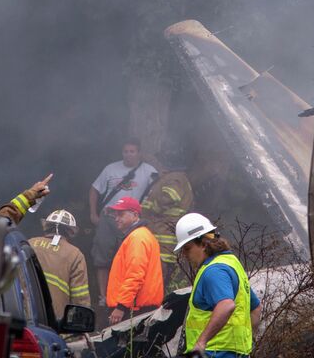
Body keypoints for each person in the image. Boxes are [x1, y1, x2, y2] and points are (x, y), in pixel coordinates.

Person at [174, 213, 262, 357]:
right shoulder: (231, 263)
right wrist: (243, 343)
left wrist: (201, 342)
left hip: (212, 353)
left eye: (187, 248)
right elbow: (256, 309)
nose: (184, 255)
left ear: (203, 243)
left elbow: (226, 305)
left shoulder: (213, 271)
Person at [89, 138, 157, 306]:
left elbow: (158, 192)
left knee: (129, 261)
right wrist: (93, 214)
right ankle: (104, 297)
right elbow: (94, 189)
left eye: (132, 151)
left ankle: (126, 298)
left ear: (139, 153)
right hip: (109, 218)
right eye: (125, 151)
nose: (128, 155)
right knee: (102, 258)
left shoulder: (149, 171)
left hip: (132, 222)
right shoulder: (111, 169)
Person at [142, 146, 194, 293]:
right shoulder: (173, 176)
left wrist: (154, 208)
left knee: (162, 267)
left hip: (165, 231)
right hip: (161, 228)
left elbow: (171, 196)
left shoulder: (175, 177)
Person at [106, 197, 163, 325]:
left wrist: (121, 307)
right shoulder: (140, 235)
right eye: (115, 215)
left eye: (121, 214)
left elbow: (135, 274)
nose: (116, 218)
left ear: (135, 215)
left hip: (134, 310)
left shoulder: (137, 237)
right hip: (136, 307)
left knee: (127, 345)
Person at [29, 209, 90, 317]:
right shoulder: (75, 254)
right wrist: (80, 322)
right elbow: (79, 297)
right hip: (55, 322)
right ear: (71, 232)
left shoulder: (30, 243)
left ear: (46, 226)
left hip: (25, 314)